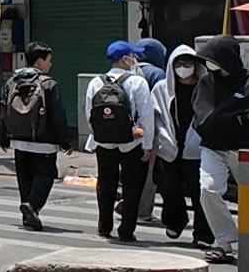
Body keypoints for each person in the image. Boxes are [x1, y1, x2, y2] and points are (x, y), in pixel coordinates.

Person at [194, 35, 249, 264]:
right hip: (213, 147)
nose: (211, 65)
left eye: (214, 60)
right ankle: (224, 242)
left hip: (246, 148)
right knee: (208, 189)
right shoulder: (206, 82)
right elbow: (199, 111)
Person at [83, 41, 157, 242]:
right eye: (132, 55)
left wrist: (101, 134)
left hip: (103, 144)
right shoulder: (137, 83)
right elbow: (146, 116)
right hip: (131, 143)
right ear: (125, 58)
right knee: (132, 187)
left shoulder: (95, 82)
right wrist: (147, 144)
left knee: (106, 184)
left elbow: (89, 114)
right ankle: (126, 230)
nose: (134, 59)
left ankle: (104, 227)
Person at [0, 42, 71, 231]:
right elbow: (58, 115)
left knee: (25, 178)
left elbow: (3, 110)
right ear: (39, 62)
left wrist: (4, 136)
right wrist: (65, 140)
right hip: (43, 141)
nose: (51, 64)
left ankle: (27, 214)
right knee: (46, 175)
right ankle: (32, 206)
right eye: (49, 61)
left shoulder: (11, 82)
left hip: (17, 139)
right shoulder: (48, 84)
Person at [152, 44, 212, 246]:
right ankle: (175, 222)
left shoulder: (205, 87)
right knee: (169, 187)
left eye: (188, 63)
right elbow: (155, 116)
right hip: (169, 146)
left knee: (199, 191)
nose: (184, 67)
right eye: (179, 63)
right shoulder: (162, 88)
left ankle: (203, 234)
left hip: (198, 147)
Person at [132, 39, 170, 223]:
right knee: (149, 173)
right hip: (149, 129)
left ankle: (129, 203)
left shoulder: (128, 70)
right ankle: (143, 211)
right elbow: (165, 101)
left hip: (127, 130)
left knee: (130, 170)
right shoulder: (156, 73)